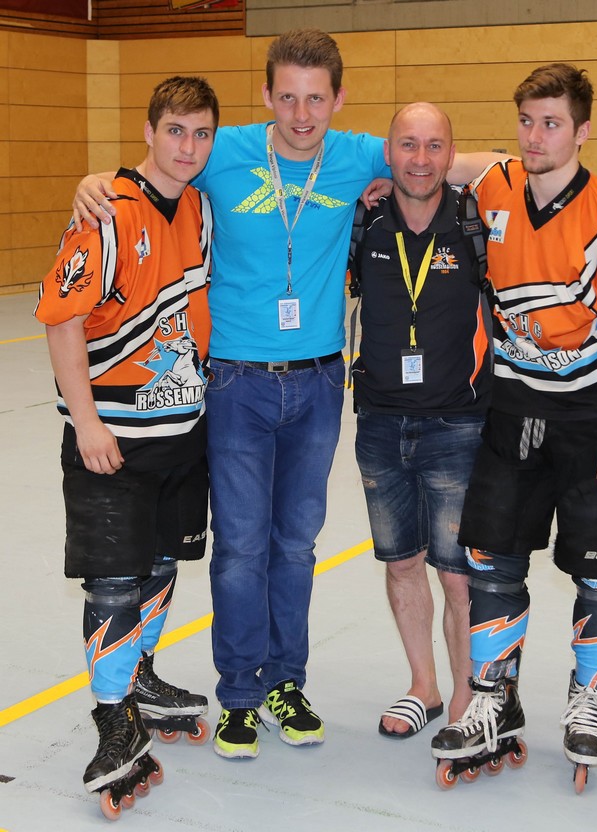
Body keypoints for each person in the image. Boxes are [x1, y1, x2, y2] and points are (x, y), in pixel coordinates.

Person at [71, 29, 501, 761]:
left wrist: (524, 170)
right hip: (236, 383)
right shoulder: (225, 151)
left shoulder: (360, 154)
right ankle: (240, 693)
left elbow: (460, 162)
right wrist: (93, 182)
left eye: (317, 99)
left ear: (338, 99)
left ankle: (285, 684)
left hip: (320, 381)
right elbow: (157, 167)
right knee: (242, 547)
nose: (303, 115)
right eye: (289, 98)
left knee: (295, 546)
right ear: (267, 95)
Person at [429, 63, 597, 785]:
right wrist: (382, 176)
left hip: (595, 423)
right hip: (514, 414)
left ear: (582, 131)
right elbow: (436, 157)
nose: (536, 137)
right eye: (528, 122)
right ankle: (494, 699)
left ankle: (589, 700)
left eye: (553, 124)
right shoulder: (498, 183)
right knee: (491, 558)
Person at [35, 75, 218, 801]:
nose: (188, 147)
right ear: (148, 132)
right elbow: (61, 319)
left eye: (201, 134)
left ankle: (137, 675)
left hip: (183, 432)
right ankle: (113, 716)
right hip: (112, 435)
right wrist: (86, 422)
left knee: (161, 562)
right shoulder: (107, 211)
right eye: (175, 131)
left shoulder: (199, 207)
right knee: (114, 578)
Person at [351, 103, 490, 739]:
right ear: (388, 152)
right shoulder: (364, 218)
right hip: (380, 422)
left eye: (435, 146)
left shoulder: (475, 220)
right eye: (408, 145)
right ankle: (424, 686)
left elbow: (515, 164)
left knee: (457, 572)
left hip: (459, 424)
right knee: (402, 562)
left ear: (452, 154)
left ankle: (465, 697)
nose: (421, 159)